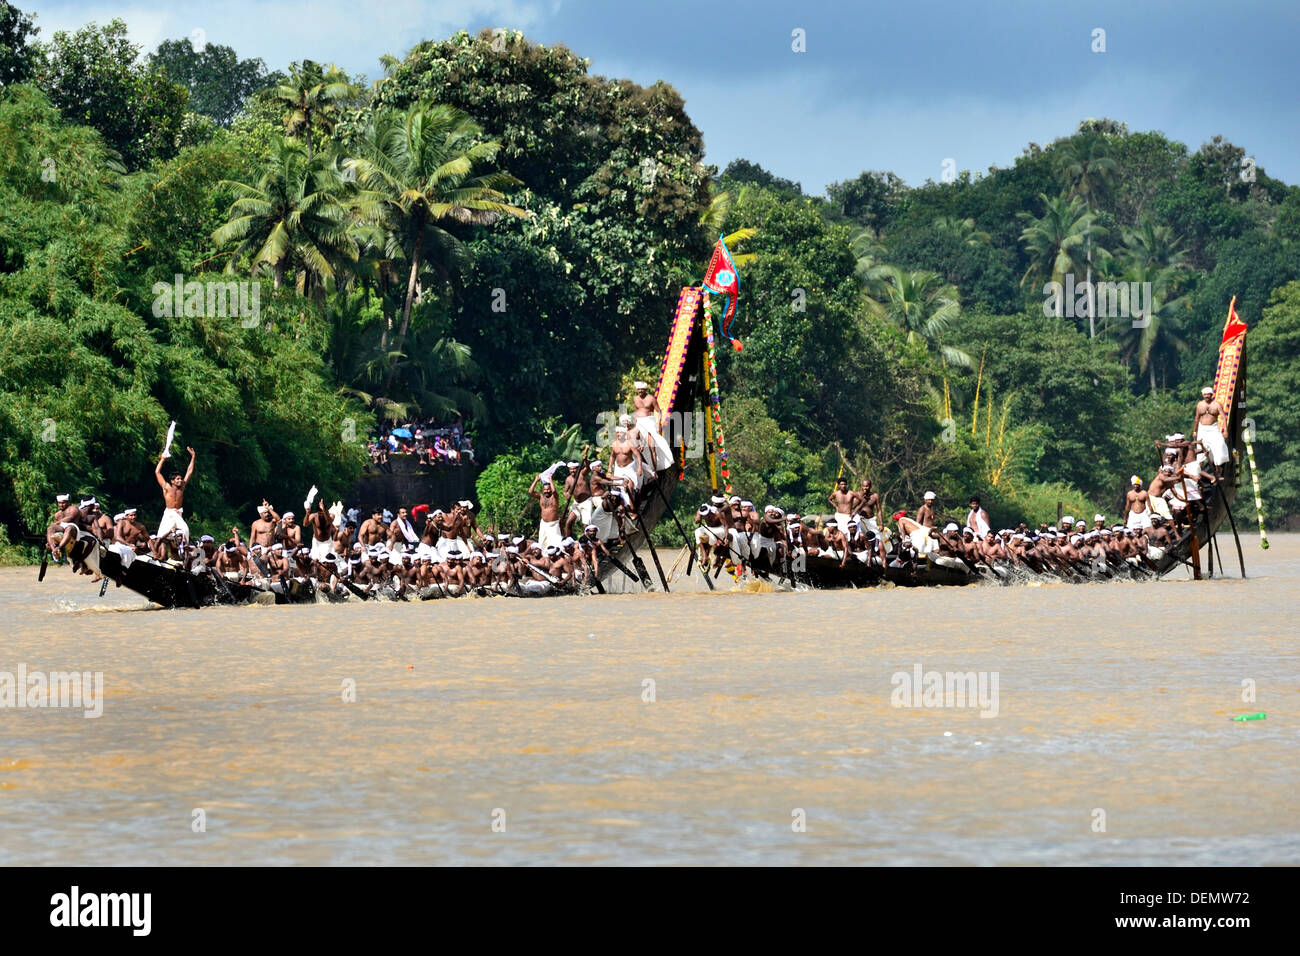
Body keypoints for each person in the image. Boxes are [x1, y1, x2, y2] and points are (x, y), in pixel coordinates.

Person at [154, 445, 196, 543]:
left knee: (185, 531)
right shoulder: (167, 487)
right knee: (161, 535)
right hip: (169, 513)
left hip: (178, 513)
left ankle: (185, 553)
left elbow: (189, 471)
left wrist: (193, 457)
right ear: (172, 481)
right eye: (178, 479)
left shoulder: (182, 487)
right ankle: (156, 551)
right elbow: (157, 472)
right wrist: (162, 460)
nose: (180, 480)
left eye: (181, 479)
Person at [632, 381, 674, 472]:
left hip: (649, 422)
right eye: (638, 389)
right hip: (639, 423)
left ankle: (655, 469)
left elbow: (659, 411)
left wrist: (658, 424)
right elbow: (636, 412)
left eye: (642, 390)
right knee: (637, 445)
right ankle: (642, 468)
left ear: (645, 390)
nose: (640, 391)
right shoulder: (635, 399)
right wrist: (635, 425)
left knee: (652, 447)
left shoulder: (651, 398)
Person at [1193, 385, 1230, 475]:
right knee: (1201, 449)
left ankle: (1218, 468)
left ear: (1211, 395)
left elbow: (1224, 417)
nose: (1206, 396)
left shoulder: (1217, 405)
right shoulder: (1200, 404)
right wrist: (1195, 431)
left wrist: (1225, 430)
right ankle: (1198, 470)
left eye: (1208, 394)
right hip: (1202, 429)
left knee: (1220, 445)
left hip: (1213, 428)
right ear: (1203, 395)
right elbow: (1197, 418)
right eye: (1205, 394)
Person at [529, 474, 564, 550]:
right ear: (542, 490)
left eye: (548, 489)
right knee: (542, 542)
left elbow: (554, 491)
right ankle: (544, 558)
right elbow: (530, 491)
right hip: (544, 523)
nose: (547, 491)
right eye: (545, 490)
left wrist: (550, 479)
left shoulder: (554, 497)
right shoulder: (541, 496)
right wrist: (536, 480)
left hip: (553, 524)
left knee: (556, 543)